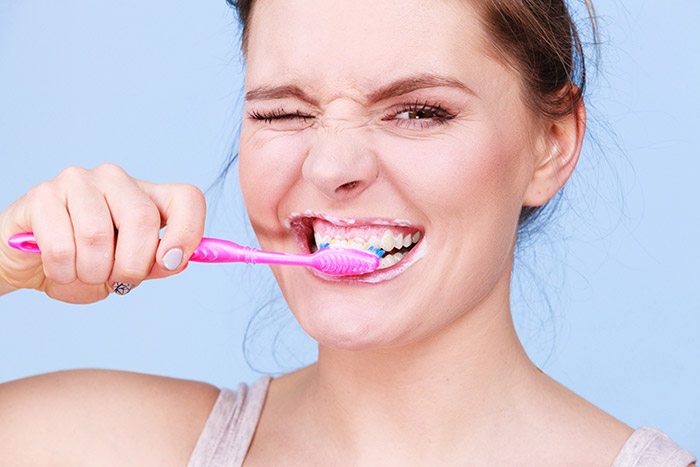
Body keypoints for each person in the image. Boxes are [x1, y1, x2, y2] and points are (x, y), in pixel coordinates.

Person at [0, 0, 696, 465]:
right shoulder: (114, 446)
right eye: (283, 114)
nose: (331, 166)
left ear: (550, 143)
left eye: (419, 111)